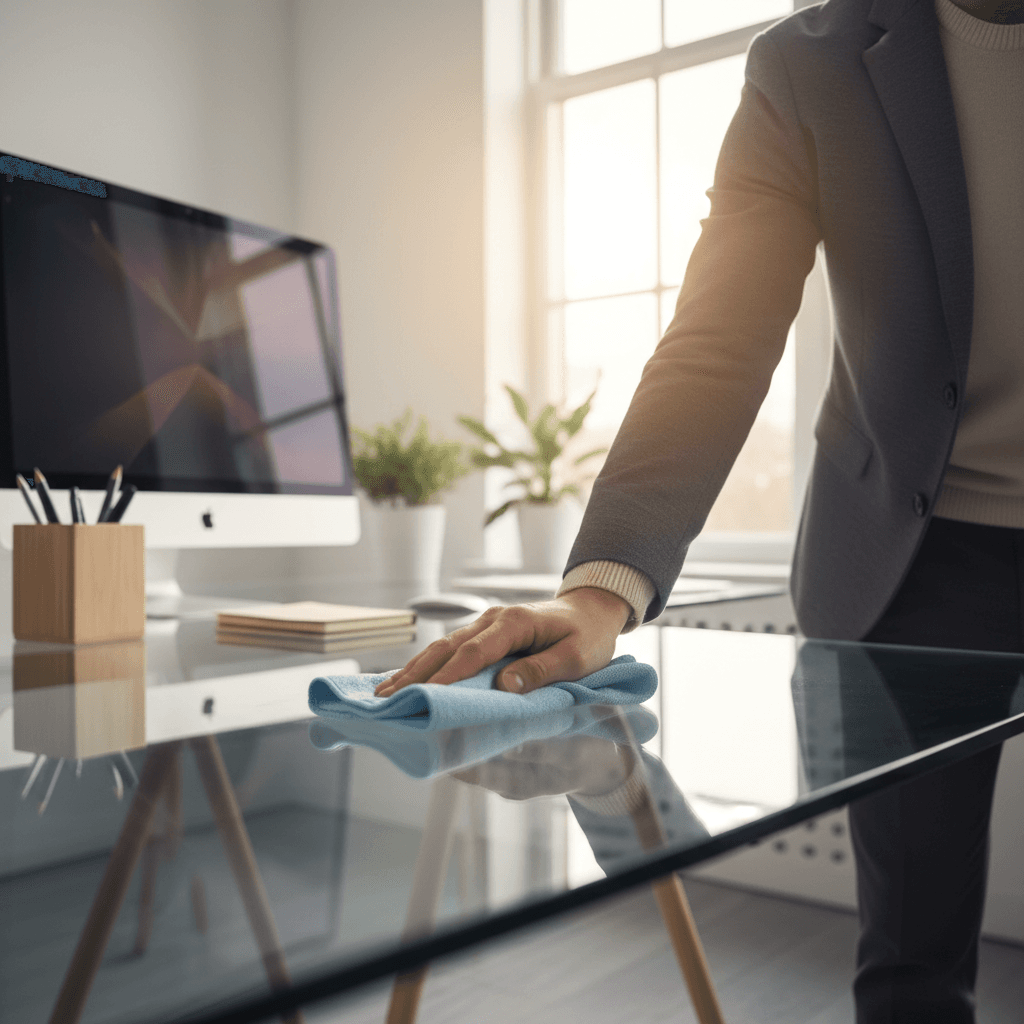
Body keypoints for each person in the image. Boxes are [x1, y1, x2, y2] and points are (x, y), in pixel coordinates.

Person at [379, 0, 1024, 1019]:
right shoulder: (813, 62)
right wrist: (599, 587)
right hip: (911, 566)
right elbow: (717, 337)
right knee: (913, 957)